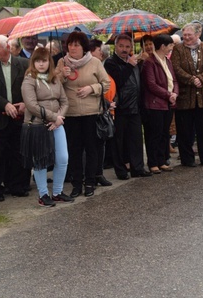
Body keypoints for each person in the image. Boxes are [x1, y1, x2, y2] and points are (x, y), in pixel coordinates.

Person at [56, 31, 111, 197]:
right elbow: (54, 86)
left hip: (91, 112)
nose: (72, 48)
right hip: (71, 113)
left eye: (76, 45)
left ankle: (90, 182)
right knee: (75, 150)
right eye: (70, 44)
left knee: (91, 148)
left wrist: (91, 88)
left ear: (83, 47)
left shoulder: (94, 62)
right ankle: (76, 184)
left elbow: (106, 84)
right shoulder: (62, 62)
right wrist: (62, 76)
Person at [21, 47, 72, 206]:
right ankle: (43, 194)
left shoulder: (55, 79)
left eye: (44, 60)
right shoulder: (29, 80)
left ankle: (57, 191)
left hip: (56, 124)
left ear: (49, 62)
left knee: (63, 158)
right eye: (37, 61)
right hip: (37, 125)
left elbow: (64, 101)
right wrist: (54, 116)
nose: (41, 64)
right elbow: (31, 105)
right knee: (41, 161)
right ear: (33, 62)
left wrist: (59, 118)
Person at [0, 35, 30, 201]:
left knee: (18, 152)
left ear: (7, 48)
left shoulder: (24, 64)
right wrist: (4, 104)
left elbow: (32, 86)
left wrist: (25, 103)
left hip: (19, 116)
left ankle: (17, 186)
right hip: (0, 118)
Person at [171, 22, 203, 167]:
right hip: (185, 96)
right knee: (185, 129)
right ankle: (187, 158)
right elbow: (176, 68)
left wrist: (202, 78)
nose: (186, 38)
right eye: (184, 35)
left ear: (198, 35)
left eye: (189, 35)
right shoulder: (178, 48)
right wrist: (192, 80)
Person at [104, 33, 150, 179]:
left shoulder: (134, 62)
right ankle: (121, 170)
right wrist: (130, 65)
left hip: (135, 106)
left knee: (136, 139)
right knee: (118, 142)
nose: (124, 49)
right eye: (121, 46)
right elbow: (119, 80)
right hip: (120, 107)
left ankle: (138, 168)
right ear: (115, 46)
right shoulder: (110, 62)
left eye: (128, 46)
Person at [141, 34, 178, 174]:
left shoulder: (167, 61)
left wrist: (175, 93)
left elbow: (174, 80)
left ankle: (162, 160)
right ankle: (153, 162)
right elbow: (151, 84)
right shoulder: (150, 62)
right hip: (155, 104)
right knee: (154, 134)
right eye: (170, 45)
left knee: (164, 133)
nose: (171, 48)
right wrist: (168, 95)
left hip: (168, 103)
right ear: (163, 46)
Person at [89, 39, 115, 186]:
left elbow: (105, 86)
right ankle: (91, 175)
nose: (102, 52)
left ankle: (99, 174)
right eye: (99, 49)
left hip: (101, 109)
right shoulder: (86, 66)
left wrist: (108, 103)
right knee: (91, 145)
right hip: (88, 110)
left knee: (101, 143)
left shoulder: (99, 65)